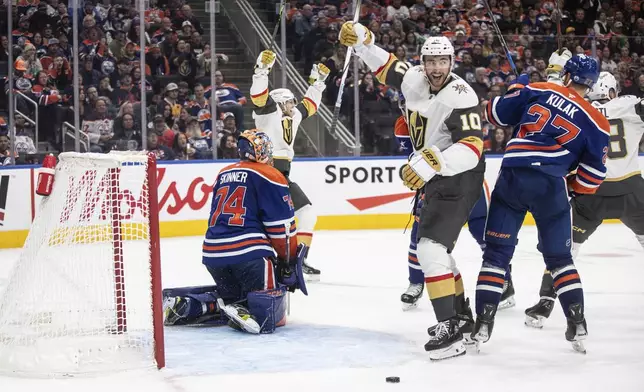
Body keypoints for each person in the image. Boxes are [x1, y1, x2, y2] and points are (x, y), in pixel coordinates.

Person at [340, 23, 486, 360]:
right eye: (431, 61)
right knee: (439, 253)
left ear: (452, 62)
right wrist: (363, 41)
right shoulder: (414, 77)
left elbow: (473, 147)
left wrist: (431, 162)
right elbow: (385, 64)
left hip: (460, 174)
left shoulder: (462, 95)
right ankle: (462, 317)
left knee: (430, 249)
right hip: (436, 173)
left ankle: (449, 330)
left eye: (442, 62)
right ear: (423, 62)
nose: (436, 68)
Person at [472, 55, 610, 354]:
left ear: (567, 75)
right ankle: (578, 322)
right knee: (560, 259)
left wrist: (517, 86)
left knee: (496, 255)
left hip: (513, 177)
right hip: (550, 184)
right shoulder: (598, 122)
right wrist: (569, 185)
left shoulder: (540, 88)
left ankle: (483, 324)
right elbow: (593, 178)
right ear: (593, 82)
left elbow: (492, 113)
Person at [524, 72, 644, 328]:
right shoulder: (631, 104)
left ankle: (544, 304)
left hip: (592, 193)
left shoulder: (579, 110)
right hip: (633, 191)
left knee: (564, 252)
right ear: (613, 91)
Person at [162, 130, 307, 334]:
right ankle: (247, 308)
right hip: (249, 256)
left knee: (232, 296)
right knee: (269, 315)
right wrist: (288, 260)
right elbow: (281, 227)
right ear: (261, 151)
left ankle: (192, 304)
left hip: (213, 255)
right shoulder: (270, 174)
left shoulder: (224, 173)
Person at [394, 116, 490, 313]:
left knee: (484, 234)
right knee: (422, 236)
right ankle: (416, 282)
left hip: (467, 182)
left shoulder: (449, 108)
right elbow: (414, 156)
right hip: (436, 186)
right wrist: (412, 169)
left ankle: (504, 281)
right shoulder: (404, 124)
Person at [250, 49, 329, 281]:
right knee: (275, 221)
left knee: (306, 214)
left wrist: (318, 82)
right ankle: (271, 260)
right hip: (264, 173)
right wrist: (262, 70)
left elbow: (310, 105)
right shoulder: (267, 111)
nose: (294, 105)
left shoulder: (292, 115)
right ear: (280, 102)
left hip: (281, 174)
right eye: (290, 101)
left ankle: (298, 260)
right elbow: (258, 95)